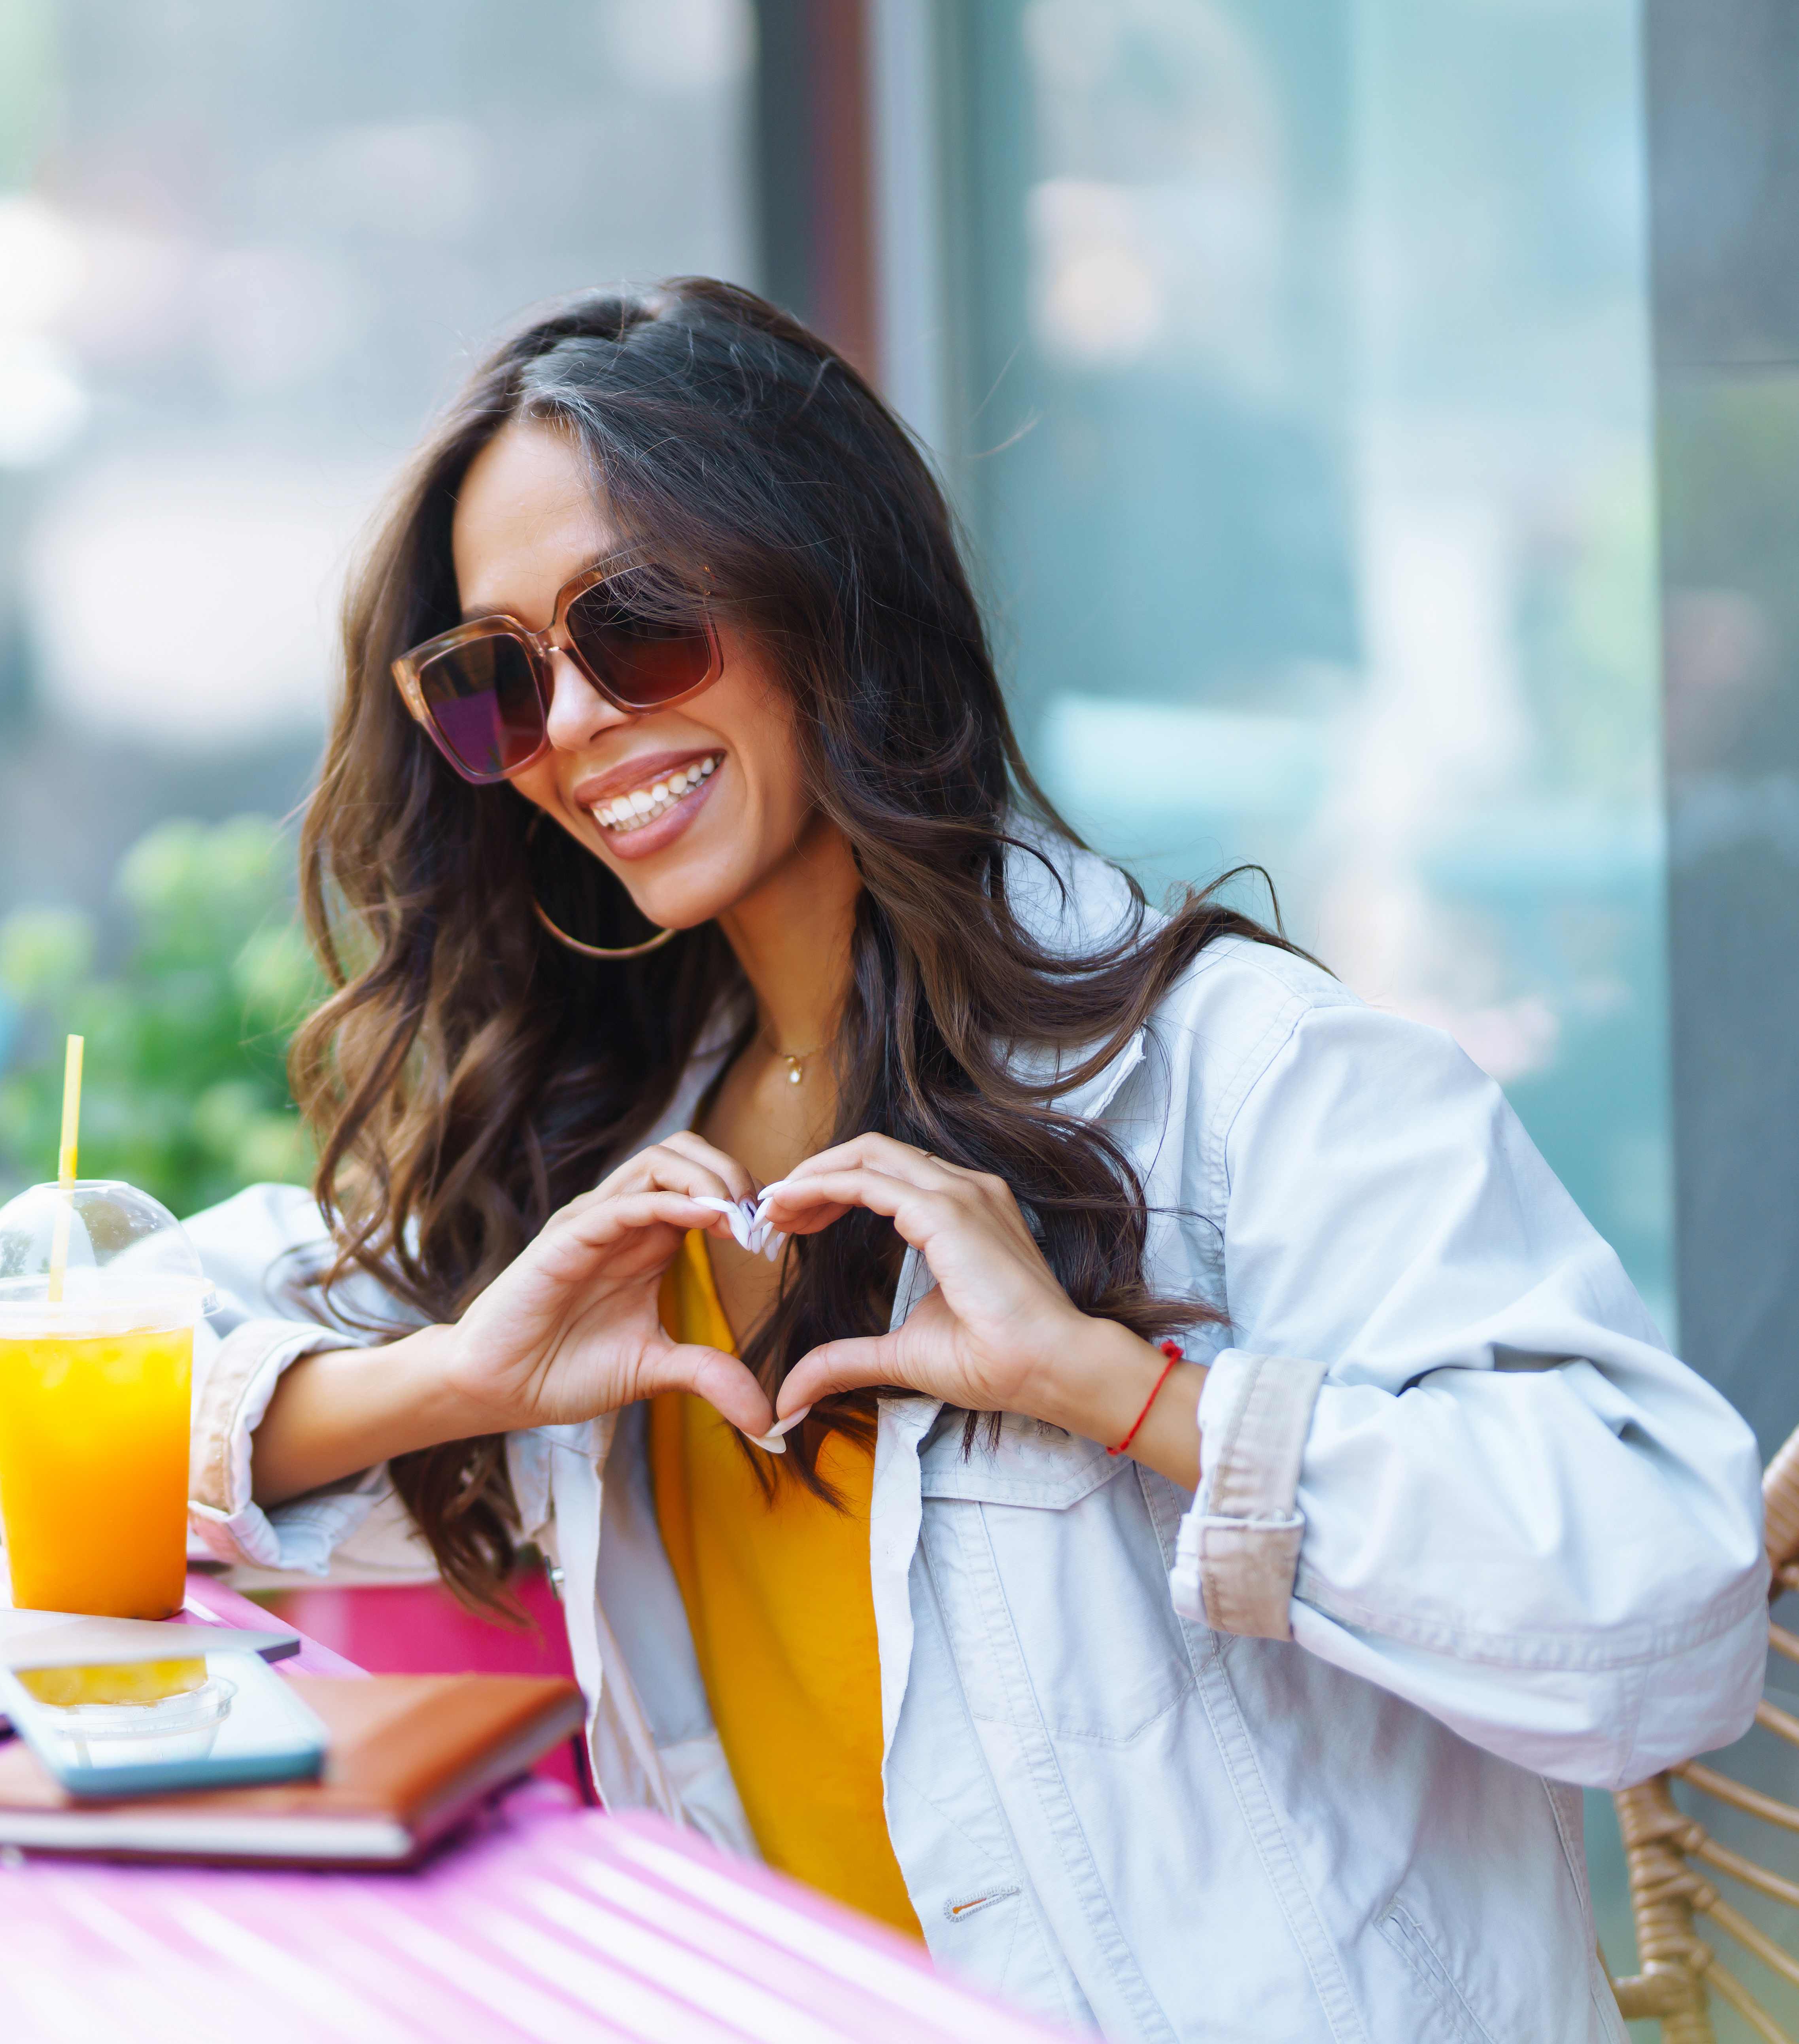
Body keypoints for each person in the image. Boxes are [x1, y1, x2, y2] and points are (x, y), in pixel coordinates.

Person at [181, 279, 1760, 2040]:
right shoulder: (595, 1161)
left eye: (632, 624)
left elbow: (1661, 1616)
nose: (564, 727)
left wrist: (1131, 1393)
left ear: (826, 601)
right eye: (494, 677)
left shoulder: (1235, 1082)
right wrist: (451, 1379)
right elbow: (82, 1383)